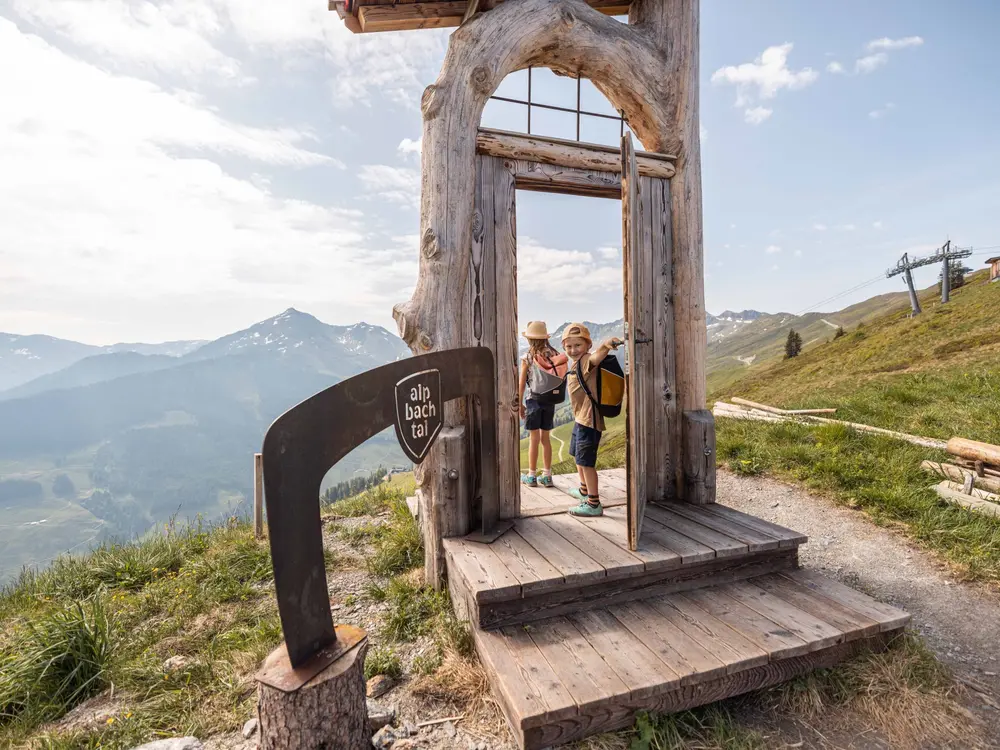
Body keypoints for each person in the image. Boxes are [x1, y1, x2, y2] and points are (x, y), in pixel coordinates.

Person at [561, 322, 622, 516]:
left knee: (587, 462)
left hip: (589, 421)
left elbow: (597, 357)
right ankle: (583, 490)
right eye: (569, 346)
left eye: (578, 345)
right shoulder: (576, 362)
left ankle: (593, 504)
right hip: (580, 420)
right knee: (578, 457)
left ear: (588, 345)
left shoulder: (587, 359)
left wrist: (605, 346)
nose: (573, 350)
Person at [518, 321, 564, 488]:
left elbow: (522, 383)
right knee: (546, 439)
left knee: (533, 439)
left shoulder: (528, 357)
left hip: (533, 400)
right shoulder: (554, 354)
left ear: (529, 339)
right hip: (549, 401)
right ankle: (547, 475)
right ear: (545, 338)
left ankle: (531, 475)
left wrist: (520, 403)